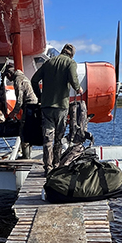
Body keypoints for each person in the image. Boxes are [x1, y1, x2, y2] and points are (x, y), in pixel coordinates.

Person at [31, 43, 82, 173]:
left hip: (46, 106)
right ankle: (57, 164)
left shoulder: (48, 63)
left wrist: (40, 97)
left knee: (48, 138)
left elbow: (34, 80)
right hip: (61, 107)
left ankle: (47, 167)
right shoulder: (70, 63)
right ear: (71, 54)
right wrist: (78, 88)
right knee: (58, 138)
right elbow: (73, 79)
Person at [0, 61, 38, 159]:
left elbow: (19, 100)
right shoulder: (23, 77)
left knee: (23, 130)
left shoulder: (18, 80)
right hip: (32, 105)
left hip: (29, 105)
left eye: (8, 76)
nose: (8, 79)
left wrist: (14, 112)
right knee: (29, 129)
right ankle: (27, 154)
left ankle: (25, 156)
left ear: (10, 74)